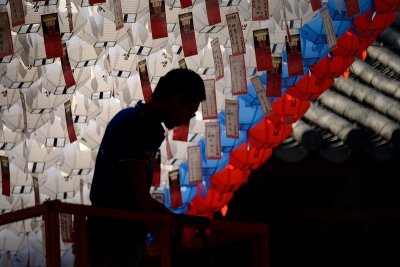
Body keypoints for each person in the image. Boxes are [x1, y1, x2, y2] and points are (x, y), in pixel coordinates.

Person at [87, 68, 206, 267]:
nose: (187, 119)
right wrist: (164, 241)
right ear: (176, 100)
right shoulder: (133, 124)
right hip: (113, 233)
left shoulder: (144, 127)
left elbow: (138, 195)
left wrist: (168, 218)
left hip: (125, 230)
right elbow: (138, 195)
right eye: (190, 111)